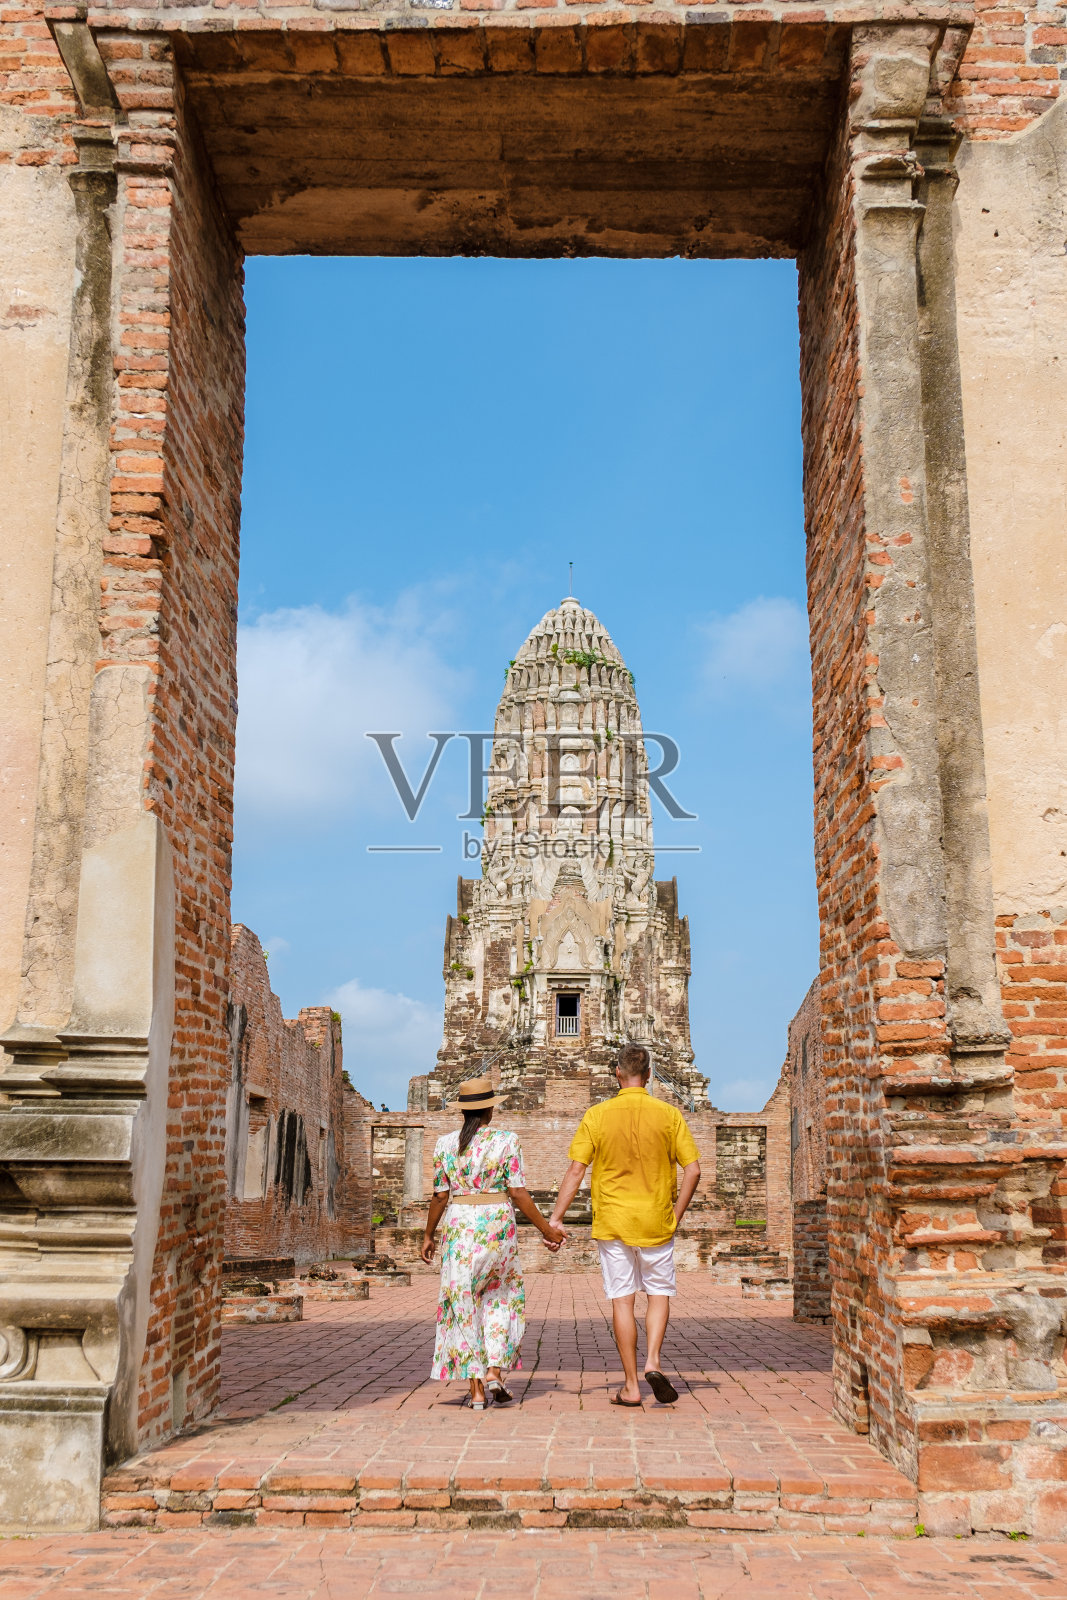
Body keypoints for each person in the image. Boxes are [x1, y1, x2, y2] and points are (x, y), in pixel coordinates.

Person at [549, 1043, 700, 1407]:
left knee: (622, 1300)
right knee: (658, 1293)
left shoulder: (597, 1115)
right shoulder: (669, 1114)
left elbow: (576, 1170)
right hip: (657, 1219)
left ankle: (631, 1385)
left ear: (617, 1073)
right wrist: (676, 1215)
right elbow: (693, 1170)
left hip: (613, 1221)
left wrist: (555, 1218)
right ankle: (653, 1361)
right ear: (648, 1075)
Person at [421, 1073, 564, 1410]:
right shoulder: (506, 1140)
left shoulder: (445, 1144)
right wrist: (546, 1230)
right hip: (497, 1225)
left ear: (462, 1111)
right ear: (490, 1110)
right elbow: (518, 1192)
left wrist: (428, 1235)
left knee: (463, 1303)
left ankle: (476, 1392)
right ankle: (494, 1372)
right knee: (501, 1298)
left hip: (459, 1225)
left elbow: (440, 1196)